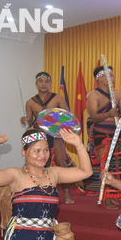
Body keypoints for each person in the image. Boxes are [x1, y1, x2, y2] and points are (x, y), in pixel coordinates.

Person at [20, 72, 75, 204]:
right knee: (38, 163)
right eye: (41, 81)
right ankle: (36, 190)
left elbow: (68, 115)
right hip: (39, 135)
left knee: (61, 162)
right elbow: (29, 121)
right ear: (36, 84)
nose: (44, 84)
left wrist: (56, 120)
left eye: (46, 81)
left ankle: (67, 194)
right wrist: (24, 120)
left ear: (50, 83)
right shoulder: (30, 102)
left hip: (55, 134)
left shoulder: (57, 98)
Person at [86, 65, 121, 208]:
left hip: (115, 132)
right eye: (110, 75)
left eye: (113, 76)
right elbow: (94, 117)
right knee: (106, 165)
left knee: (115, 164)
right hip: (101, 133)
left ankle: (113, 193)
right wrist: (108, 114)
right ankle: (107, 197)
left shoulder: (116, 94)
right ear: (100, 78)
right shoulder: (93, 95)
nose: (113, 79)